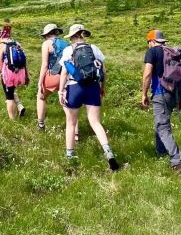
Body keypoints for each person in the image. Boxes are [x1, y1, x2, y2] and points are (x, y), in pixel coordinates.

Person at [58, 24, 120, 171]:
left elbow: (64, 73)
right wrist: (102, 88)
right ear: (83, 35)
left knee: (71, 124)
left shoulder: (69, 50)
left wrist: (61, 91)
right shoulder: (94, 48)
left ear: (72, 37)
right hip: (93, 87)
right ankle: (108, 152)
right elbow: (103, 71)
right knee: (95, 122)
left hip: (75, 87)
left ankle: (70, 156)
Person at [141, 29, 181, 177]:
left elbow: (148, 73)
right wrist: (180, 98)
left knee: (162, 127)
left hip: (161, 93)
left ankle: (177, 162)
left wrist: (144, 93)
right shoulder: (173, 52)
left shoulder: (153, 51)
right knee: (160, 123)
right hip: (175, 93)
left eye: (148, 42)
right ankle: (161, 153)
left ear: (151, 41)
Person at [0, 21, 27, 120]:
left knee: (9, 97)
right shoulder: (16, 43)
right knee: (12, 92)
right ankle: (20, 107)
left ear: (1, 35)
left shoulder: (2, 45)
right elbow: (25, 61)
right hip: (19, 73)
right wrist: (27, 75)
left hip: (7, 74)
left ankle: (12, 121)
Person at [36, 23, 68, 131]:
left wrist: (40, 82)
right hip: (66, 76)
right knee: (67, 103)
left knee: (41, 97)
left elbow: (45, 64)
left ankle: (41, 124)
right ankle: (75, 132)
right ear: (56, 32)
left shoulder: (46, 44)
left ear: (47, 34)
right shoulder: (66, 43)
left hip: (52, 76)